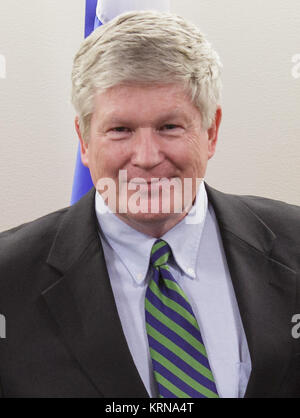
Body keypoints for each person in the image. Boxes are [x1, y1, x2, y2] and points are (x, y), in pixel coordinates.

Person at [0, 10, 299, 399]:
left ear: (211, 132)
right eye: (120, 129)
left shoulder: (294, 244)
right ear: (84, 140)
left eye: (169, 127)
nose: (145, 156)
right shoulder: (8, 279)